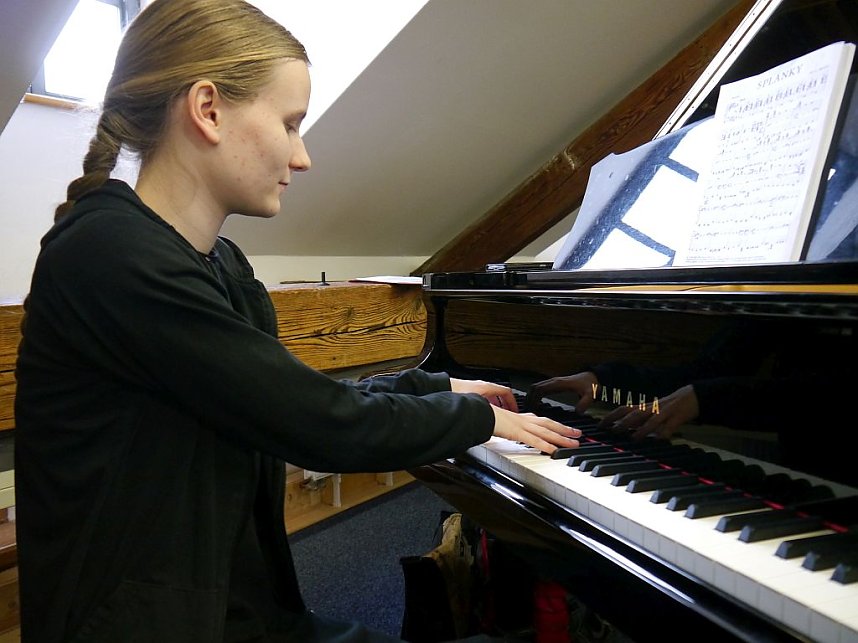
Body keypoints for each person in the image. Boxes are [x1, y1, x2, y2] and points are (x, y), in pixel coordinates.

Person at [12, 2, 582, 641]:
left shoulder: (218, 263)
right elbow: (320, 427)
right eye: (290, 123)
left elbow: (283, 399)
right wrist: (481, 419)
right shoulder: (110, 254)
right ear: (207, 110)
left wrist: (440, 387)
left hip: (233, 608)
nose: (303, 156)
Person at [526, 318, 857, 486]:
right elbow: (706, 373)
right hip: (799, 476)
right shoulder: (789, 280)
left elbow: (834, 395)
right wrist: (603, 382)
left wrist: (709, 397)